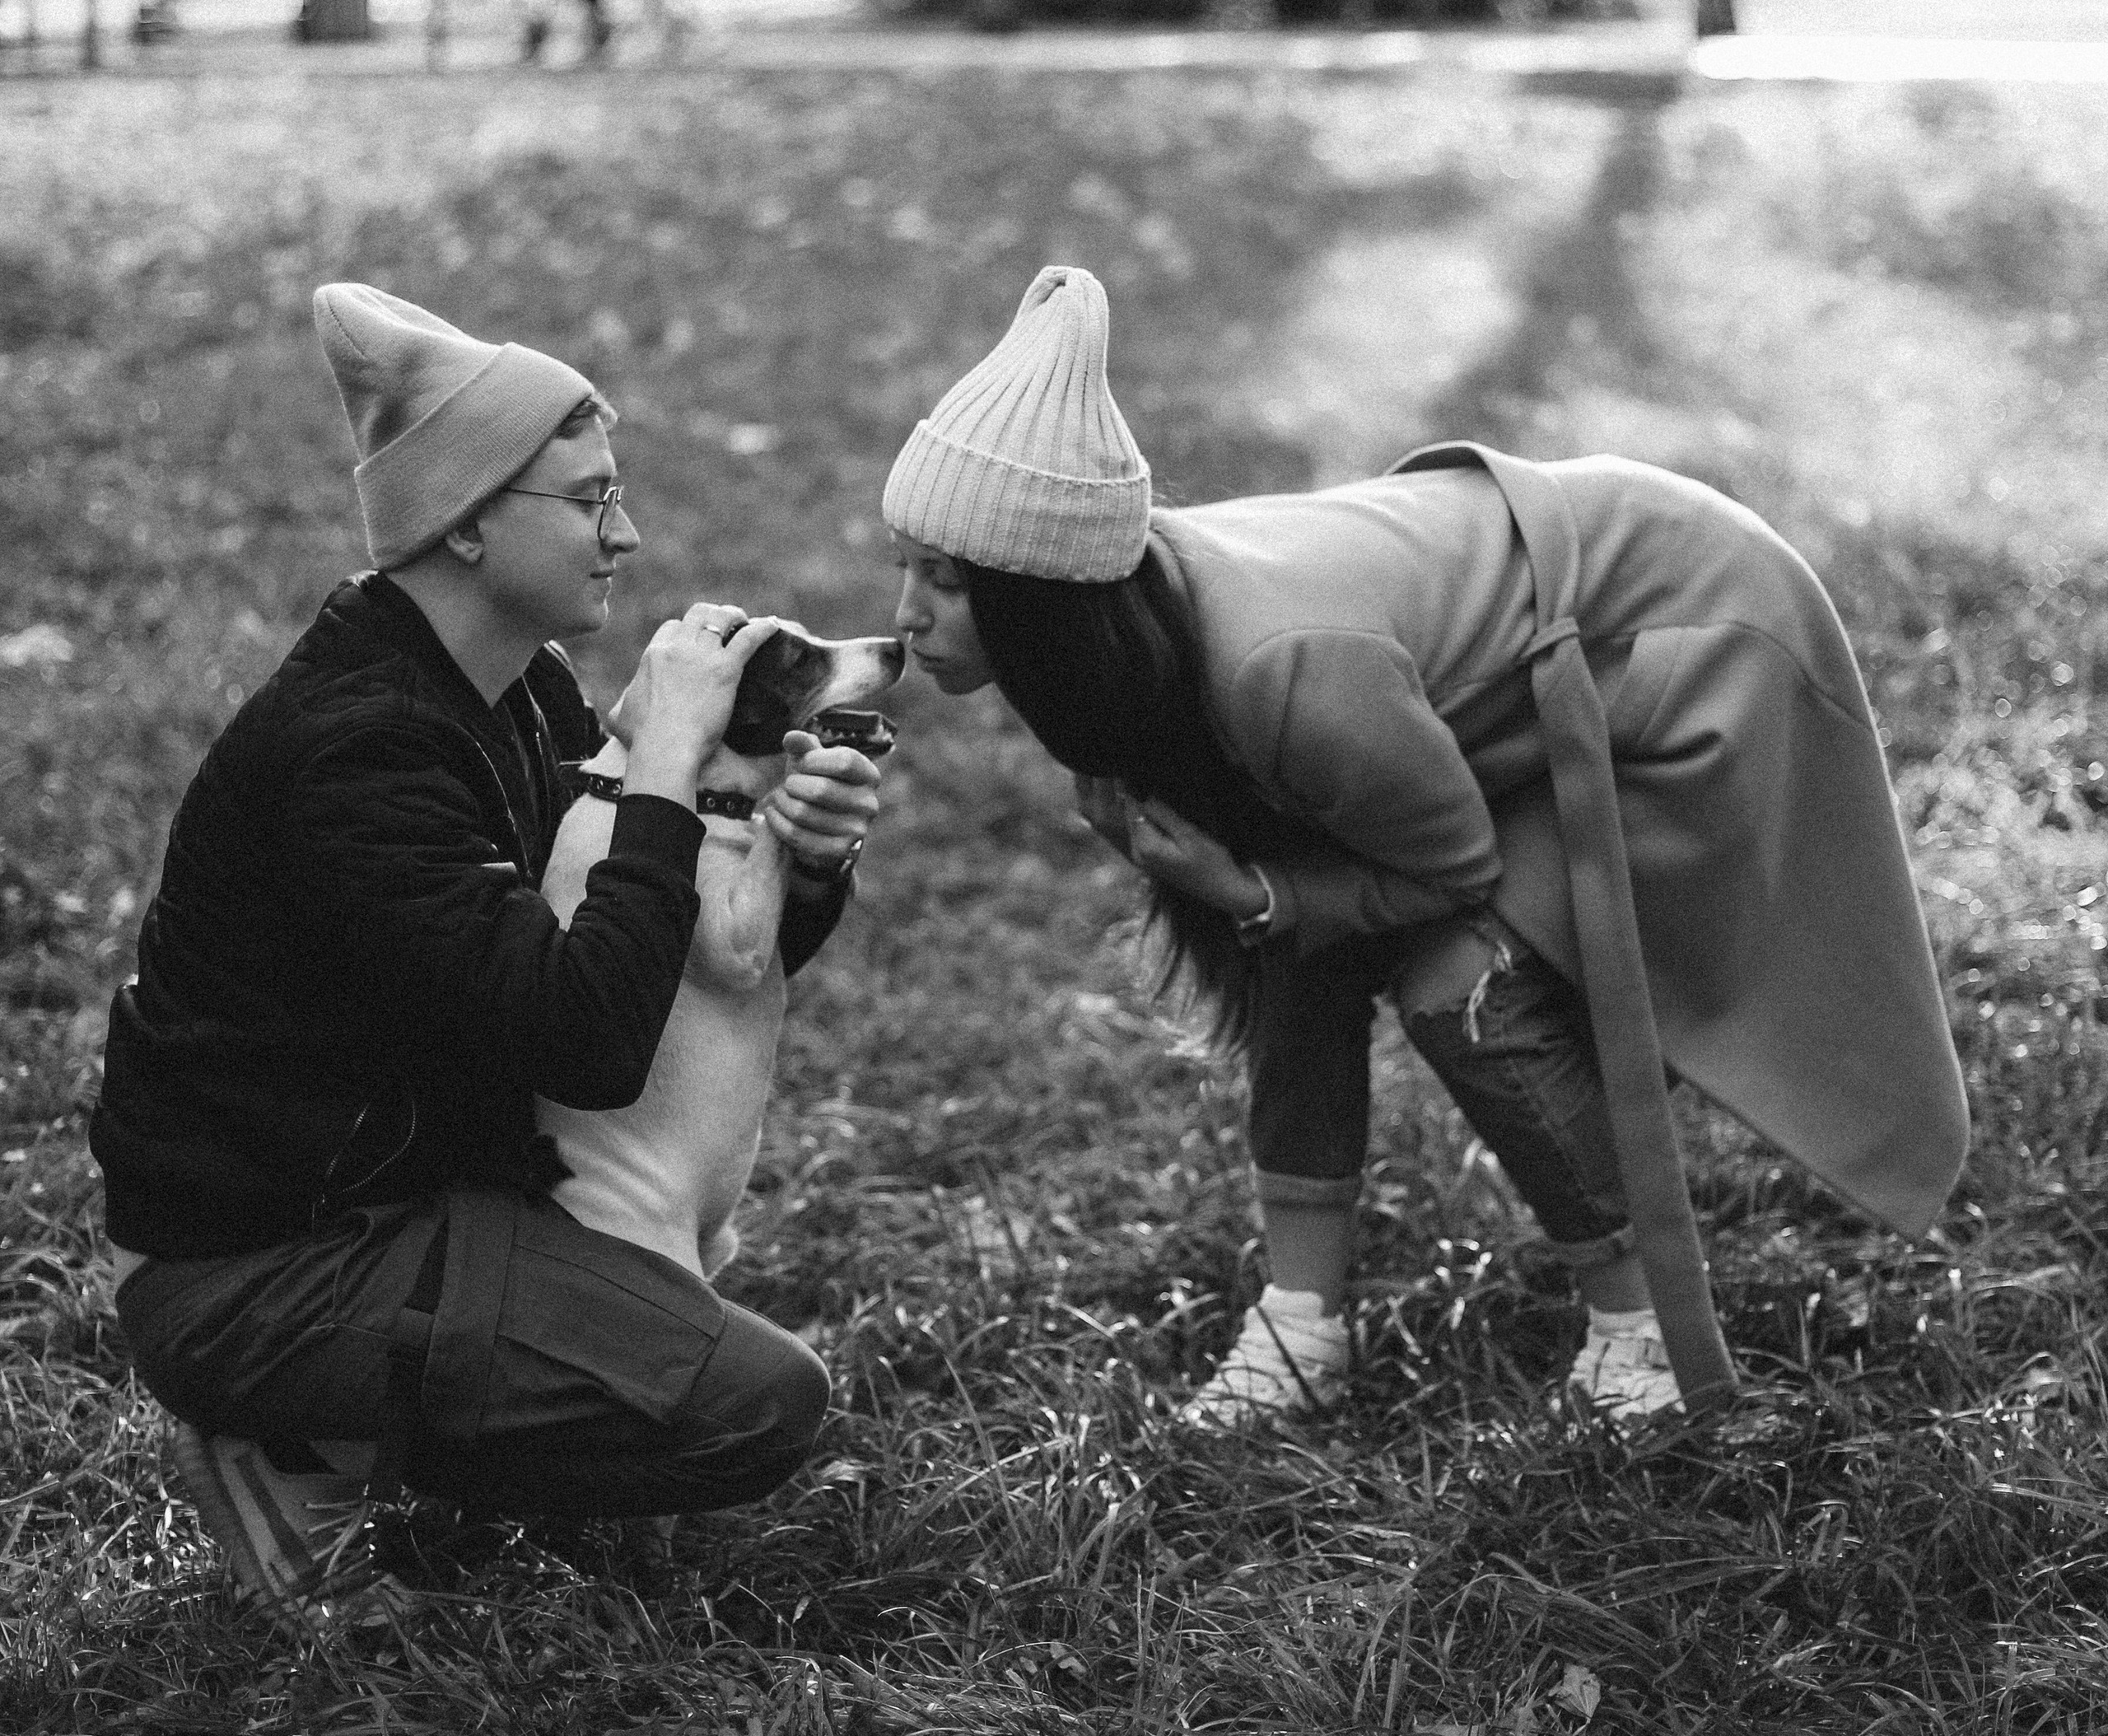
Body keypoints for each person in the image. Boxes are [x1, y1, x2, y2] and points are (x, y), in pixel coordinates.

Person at [883, 264, 1969, 1430]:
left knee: (1460, 980)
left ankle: (1641, 1326)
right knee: (1292, 947)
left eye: (946, 583)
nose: (905, 614)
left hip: (1684, 648)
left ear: (1045, 602)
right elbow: (1296, 928)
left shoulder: (1275, 668)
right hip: (1507, 707)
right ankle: (1302, 1327)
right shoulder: (1134, 653)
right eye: (909, 568)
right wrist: (1264, 906)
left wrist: (1255, 891)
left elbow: (1450, 871)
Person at [92, 284, 885, 1613]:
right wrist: (670, 775)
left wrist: (802, 857)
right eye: (586, 501)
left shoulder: (514, 689)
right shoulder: (362, 750)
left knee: (717, 1368)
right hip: (257, 1264)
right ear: (464, 523)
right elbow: (583, 1033)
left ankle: (387, 1432)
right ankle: (302, 1444)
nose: (625, 533)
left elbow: (654, 947)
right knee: (756, 1403)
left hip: (423, 1184)